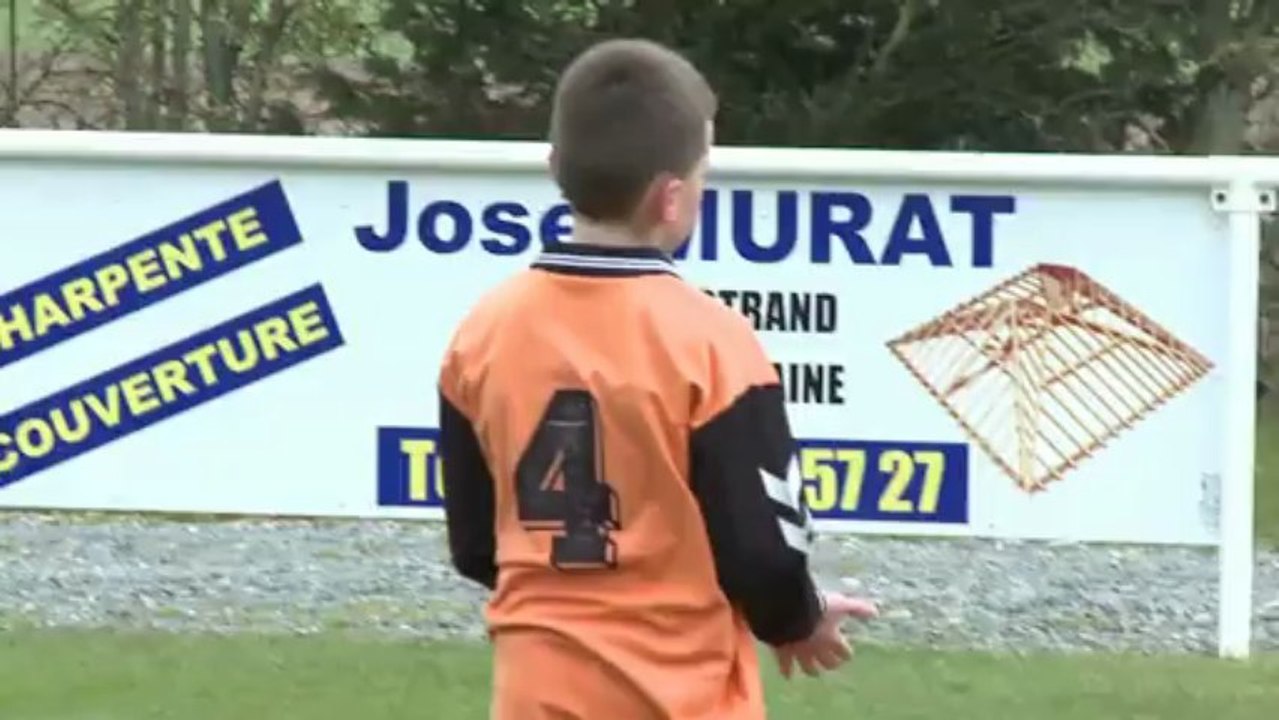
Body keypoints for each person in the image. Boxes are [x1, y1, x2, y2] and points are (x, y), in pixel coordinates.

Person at [437, 37, 877, 720]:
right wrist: (797, 619)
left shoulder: (482, 331)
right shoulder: (710, 341)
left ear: (556, 167)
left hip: (536, 690)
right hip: (681, 693)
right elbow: (763, 548)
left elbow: (474, 542)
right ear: (673, 199)